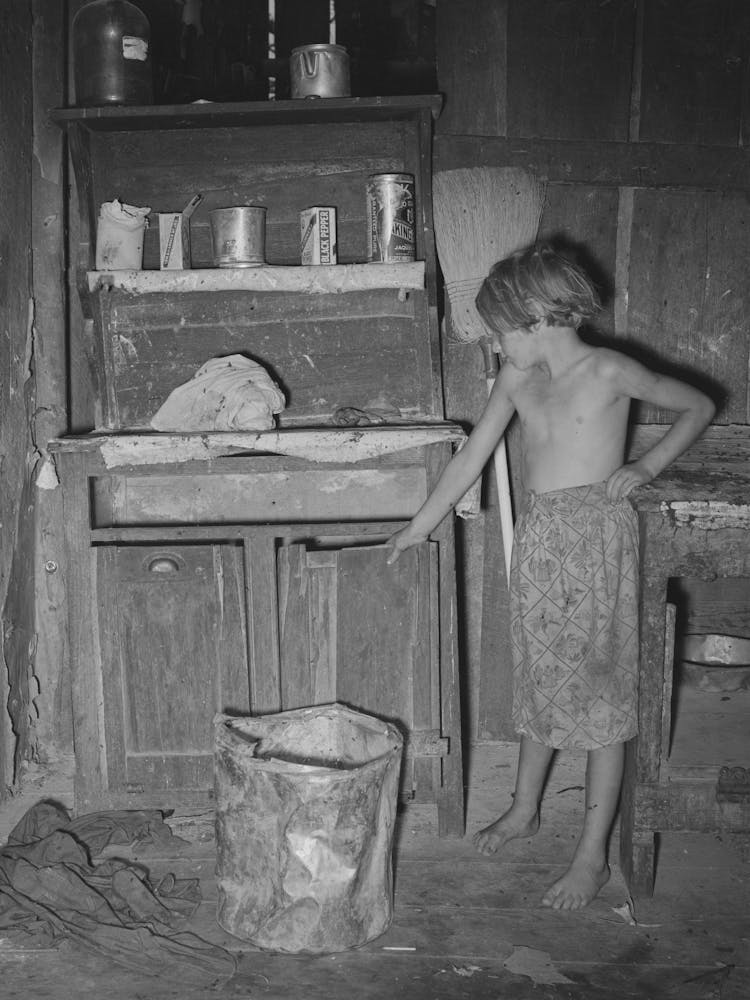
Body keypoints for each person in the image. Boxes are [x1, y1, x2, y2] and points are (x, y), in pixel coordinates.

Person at [386, 243, 715, 911]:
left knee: (601, 695)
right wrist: (419, 525)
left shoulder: (611, 370)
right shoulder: (518, 378)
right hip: (541, 544)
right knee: (540, 679)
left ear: (536, 317)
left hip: (598, 542)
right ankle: (524, 808)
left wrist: (646, 467)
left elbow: (698, 405)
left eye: (500, 331)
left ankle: (592, 854)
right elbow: (472, 457)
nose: (495, 344)